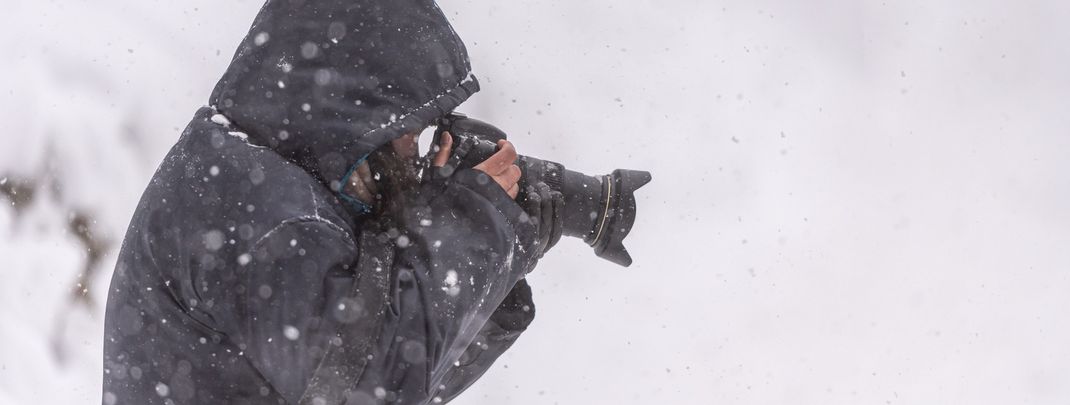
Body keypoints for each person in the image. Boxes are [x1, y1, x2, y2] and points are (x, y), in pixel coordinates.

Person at [102, 1, 560, 404]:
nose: (411, 153)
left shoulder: (260, 179)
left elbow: (410, 373)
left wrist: (494, 244)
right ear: (356, 105)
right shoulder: (271, 220)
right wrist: (471, 221)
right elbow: (372, 385)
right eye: (407, 128)